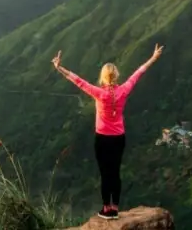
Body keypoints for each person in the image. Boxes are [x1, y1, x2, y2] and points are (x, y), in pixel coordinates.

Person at [51, 43, 163, 220]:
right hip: (119, 138)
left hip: (102, 139)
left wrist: (59, 68)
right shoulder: (124, 90)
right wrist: (153, 57)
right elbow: (138, 73)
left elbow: (78, 81)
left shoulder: (98, 93)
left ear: (102, 77)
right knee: (115, 172)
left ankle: (106, 209)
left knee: (105, 174)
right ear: (116, 75)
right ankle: (116, 208)